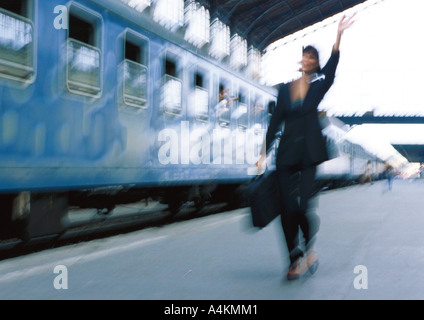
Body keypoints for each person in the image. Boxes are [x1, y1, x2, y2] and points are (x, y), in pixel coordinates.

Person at [256, 15, 355, 280]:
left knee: (303, 208)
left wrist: (338, 37)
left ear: (316, 64)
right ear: (300, 62)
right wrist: (263, 154)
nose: (308, 60)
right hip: (286, 155)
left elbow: (332, 70)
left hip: (310, 154)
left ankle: (309, 247)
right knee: (287, 209)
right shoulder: (285, 90)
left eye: (313, 57)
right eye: (305, 56)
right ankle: (294, 258)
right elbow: (275, 123)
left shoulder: (319, 86)